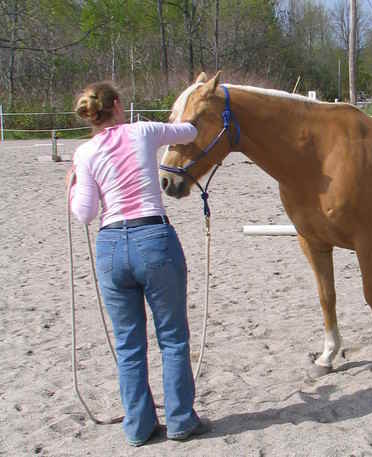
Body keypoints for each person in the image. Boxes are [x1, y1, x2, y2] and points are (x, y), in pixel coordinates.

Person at [68, 81, 209, 446]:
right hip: (154, 238)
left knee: (129, 345)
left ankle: (139, 426)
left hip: (111, 245)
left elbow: (85, 213)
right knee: (173, 338)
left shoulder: (84, 154)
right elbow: (189, 131)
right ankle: (180, 420)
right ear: (117, 105)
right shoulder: (143, 132)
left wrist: (72, 185)